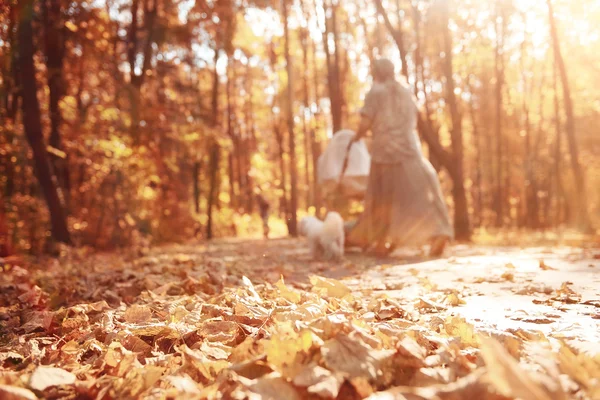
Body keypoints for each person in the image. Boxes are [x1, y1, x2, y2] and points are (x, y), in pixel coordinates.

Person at [346, 58, 453, 257]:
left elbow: (365, 122)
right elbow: (412, 121)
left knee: (382, 199)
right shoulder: (406, 92)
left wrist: (356, 138)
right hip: (410, 151)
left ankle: (380, 241)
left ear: (376, 73)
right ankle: (438, 233)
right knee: (423, 195)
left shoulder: (375, 92)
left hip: (384, 153)